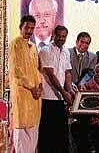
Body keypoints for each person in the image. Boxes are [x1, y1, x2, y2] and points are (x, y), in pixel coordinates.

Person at [38, 25, 74, 153]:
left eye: (63, 36)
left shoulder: (66, 51)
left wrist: (69, 89)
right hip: (47, 98)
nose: (61, 38)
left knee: (60, 135)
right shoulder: (45, 50)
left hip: (60, 99)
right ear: (53, 35)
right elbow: (50, 75)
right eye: (58, 35)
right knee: (47, 135)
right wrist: (64, 93)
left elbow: (67, 72)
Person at [8, 15, 42, 152]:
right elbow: (17, 71)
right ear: (20, 27)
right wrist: (32, 87)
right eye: (27, 27)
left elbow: (36, 69)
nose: (29, 31)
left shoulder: (33, 47)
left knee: (33, 133)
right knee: (21, 135)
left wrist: (39, 86)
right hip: (22, 95)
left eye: (32, 28)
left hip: (34, 97)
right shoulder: (15, 44)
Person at [71, 62, 99, 153]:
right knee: (76, 126)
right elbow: (79, 106)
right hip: (86, 117)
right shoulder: (85, 85)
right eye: (97, 72)